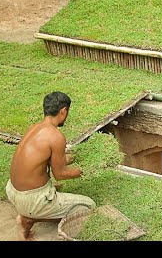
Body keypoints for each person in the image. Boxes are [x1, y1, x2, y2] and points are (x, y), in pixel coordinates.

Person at [5, 91, 96, 240]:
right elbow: (60, 174)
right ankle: (27, 219)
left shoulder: (34, 128)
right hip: (31, 200)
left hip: (13, 190)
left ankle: (29, 213)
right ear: (63, 111)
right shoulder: (56, 136)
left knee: (52, 188)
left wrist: (77, 156)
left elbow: (51, 160)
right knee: (89, 206)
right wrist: (86, 170)